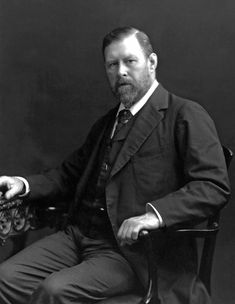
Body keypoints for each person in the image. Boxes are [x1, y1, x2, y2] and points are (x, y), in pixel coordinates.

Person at [0, 27, 230, 304]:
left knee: (55, 291)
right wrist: (22, 184)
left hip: (131, 251)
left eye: (129, 61)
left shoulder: (185, 114)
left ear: (152, 63)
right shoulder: (108, 123)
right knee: (5, 278)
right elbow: (68, 175)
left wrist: (154, 215)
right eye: (112, 64)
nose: (120, 71)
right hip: (78, 236)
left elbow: (212, 185)